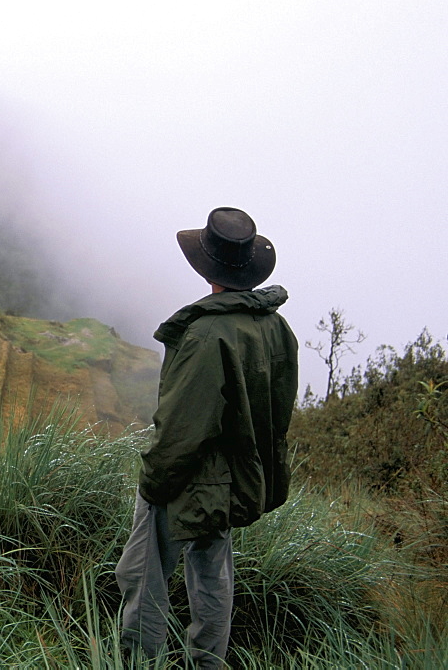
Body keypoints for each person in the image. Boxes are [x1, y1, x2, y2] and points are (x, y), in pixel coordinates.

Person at [115, 207, 299, 668]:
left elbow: (182, 429)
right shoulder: (277, 328)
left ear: (207, 267)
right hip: (235, 478)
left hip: (187, 480)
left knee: (144, 576)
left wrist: (153, 484)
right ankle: (208, 663)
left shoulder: (204, 335)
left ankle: (139, 662)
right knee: (213, 579)